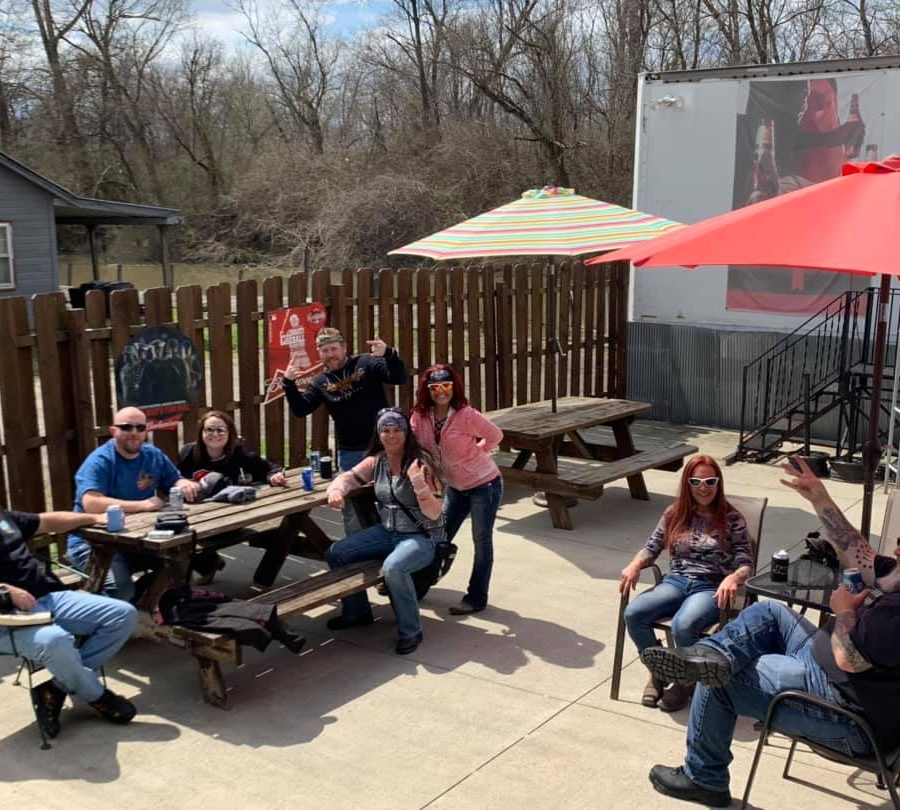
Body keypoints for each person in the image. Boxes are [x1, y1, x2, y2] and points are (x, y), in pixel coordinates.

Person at [641, 457, 900, 808]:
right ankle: (709, 654)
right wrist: (819, 497)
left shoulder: (895, 612)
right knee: (769, 611)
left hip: (851, 718)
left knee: (721, 681)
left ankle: (703, 777)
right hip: (841, 680)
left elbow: (847, 659)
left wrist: (844, 612)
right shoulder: (896, 578)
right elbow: (860, 552)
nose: (896, 547)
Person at [619, 455, 753, 712]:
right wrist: (635, 564)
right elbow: (652, 546)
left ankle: (685, 682)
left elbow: (746, 561)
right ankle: (658, 671)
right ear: (688, 483)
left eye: (710, 481)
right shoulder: (674, 512)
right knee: (634, 613)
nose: (704, 487)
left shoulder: (732, 518)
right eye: (697, 481)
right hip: (676, 581)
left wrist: (733, 577)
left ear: (718, 483)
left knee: (683, 624)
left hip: (710, 586)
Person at [1, 507, 139, 739]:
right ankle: (97, 696)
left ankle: (55, 689)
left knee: (123, 615)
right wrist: (4, 590)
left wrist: (94, 517)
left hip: (48, 596)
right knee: (56, 641)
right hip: (7, 618)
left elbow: (46, 521)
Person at [324, 408, 442, 655]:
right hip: (387, 532)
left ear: (406, 432)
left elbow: (434, 513)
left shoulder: (421, 462)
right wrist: (336, 489)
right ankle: (357, 612)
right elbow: (348, 477)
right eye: (385, 431)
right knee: (337, 552)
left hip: (420, 537)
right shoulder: (377, 460)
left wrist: (418, 483)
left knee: (393, 568)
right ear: (378, 435)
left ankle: (411, 631)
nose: (391, 435)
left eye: (397, 429)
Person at [65, 407, 200, 602]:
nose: (134, 433)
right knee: (121, 591)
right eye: (127, 427)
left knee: (180, 568)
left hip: (137, 539)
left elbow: (174, 479)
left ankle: (145, 609)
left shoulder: (153, 454)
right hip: (94, 544)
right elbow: (91, 503)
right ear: (113, 431)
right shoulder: (100, 460)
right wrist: (143, 505)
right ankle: (98, 616)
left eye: (140, 427)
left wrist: (184, 483)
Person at [281, 328, 408, 535]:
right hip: (350, 452)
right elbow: (300, 409)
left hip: (383, 449)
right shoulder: (320, 382)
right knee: (351, 509)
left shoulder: (366, 363)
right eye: (324, 350)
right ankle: (357, 553)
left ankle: (394, 544)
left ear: (344, 348)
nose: (330, 354)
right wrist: (289, 383)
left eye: (334, 348)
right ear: (319, 354)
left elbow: (398, 377)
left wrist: (389, 354)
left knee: (390, 499)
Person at [410, 364, 504, 615]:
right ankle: (418, 586)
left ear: (454, 387)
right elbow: (415, 446)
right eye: (435, 387)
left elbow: (495, 435)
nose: (441, 392)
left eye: (446, 386)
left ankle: (476, 598)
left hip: (485, 484)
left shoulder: (466, 414)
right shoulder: (420, 416)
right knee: (439, 537)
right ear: (427, 390)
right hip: (456, 487)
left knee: (481, 541)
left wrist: (478, 451)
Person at [177, 410, 288, 585]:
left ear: (230, 433)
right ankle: (207, 566)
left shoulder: (239, 454)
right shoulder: (188, 453)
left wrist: (273, 477)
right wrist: (182, 483)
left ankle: (207, 566)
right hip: (197, 517)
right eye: (209, 429)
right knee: (178, 537)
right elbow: (174, 478)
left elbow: (269, 468)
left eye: (221, 430)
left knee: (191, 540)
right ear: (201, 433)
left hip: (230, 518)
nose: (215, 434)